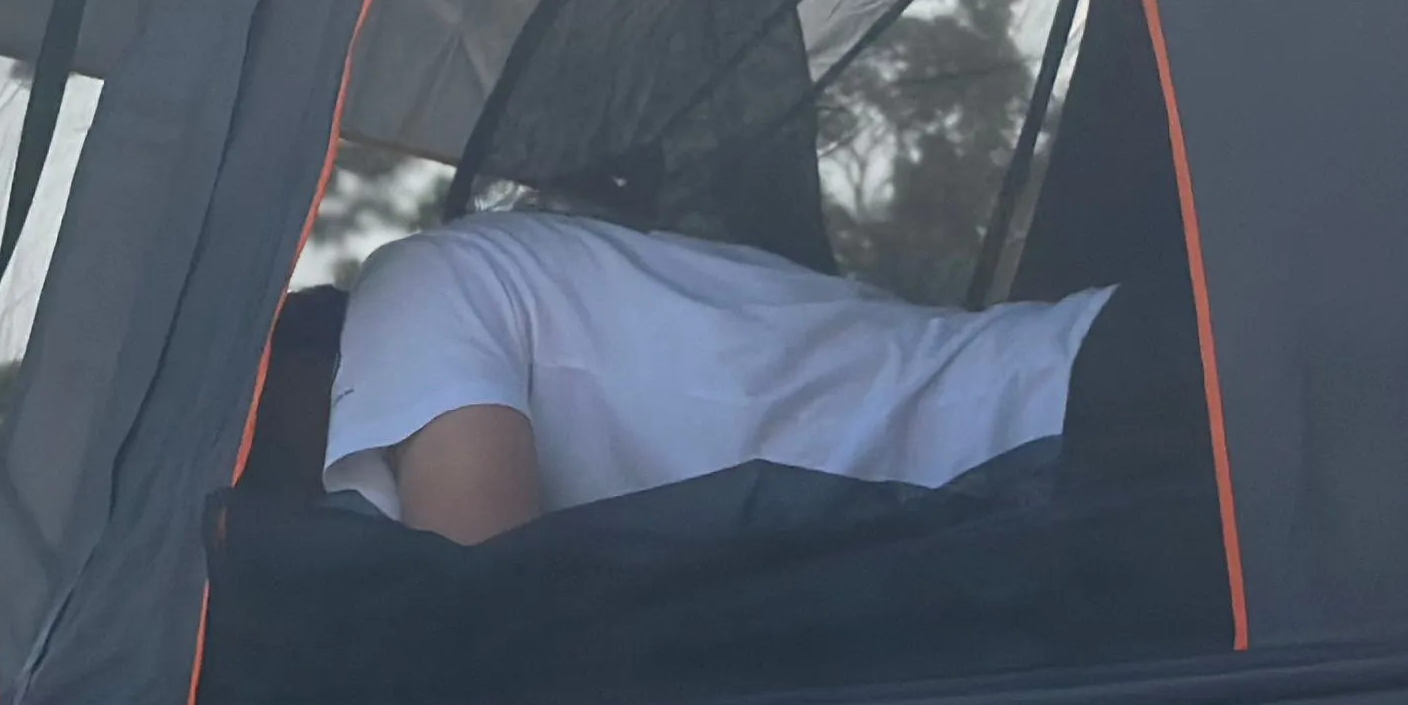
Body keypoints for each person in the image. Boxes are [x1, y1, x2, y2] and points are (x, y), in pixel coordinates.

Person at [323, 208, 1116, 543]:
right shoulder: (503, 275)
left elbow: (476, 604)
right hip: (1074, 396)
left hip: (1070, 425)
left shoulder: (407, 292)